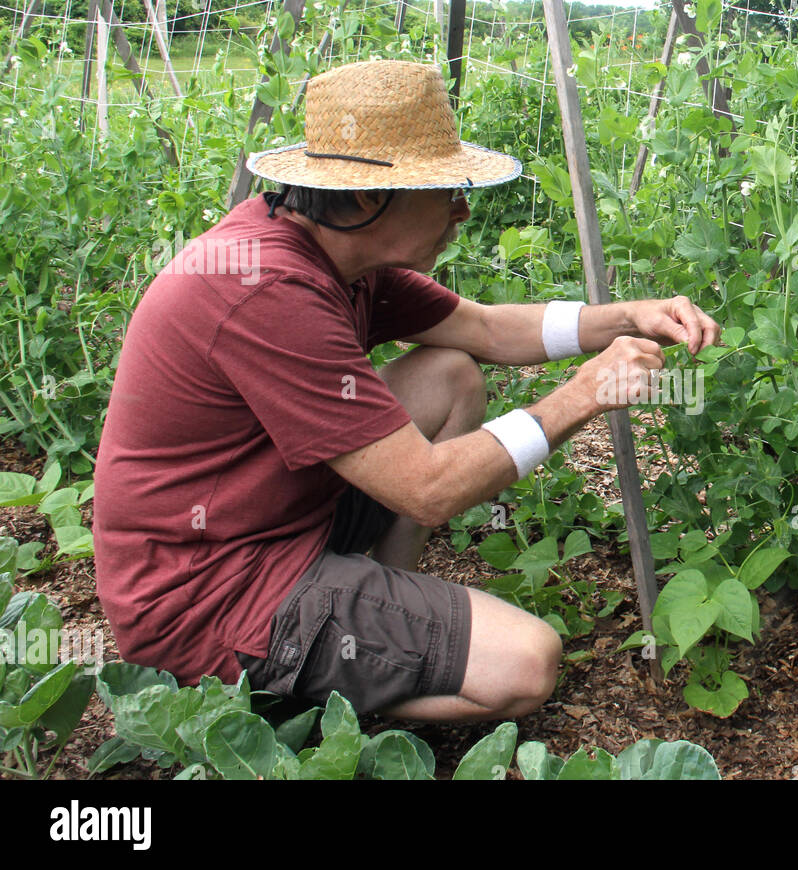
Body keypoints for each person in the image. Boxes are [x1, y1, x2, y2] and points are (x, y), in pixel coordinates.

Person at [92, 59, 721, 723]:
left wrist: (629, 317)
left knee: (448, 374)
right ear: (367, 197)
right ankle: (308, 712)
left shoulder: (340, 249)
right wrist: (583, 395)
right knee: (526, 662)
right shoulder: (266, 291)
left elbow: (484, 329)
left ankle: (386, 612)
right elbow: (429, 487)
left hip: (275, 520)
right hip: (205, 597)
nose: (462, 208)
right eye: (443, 189)